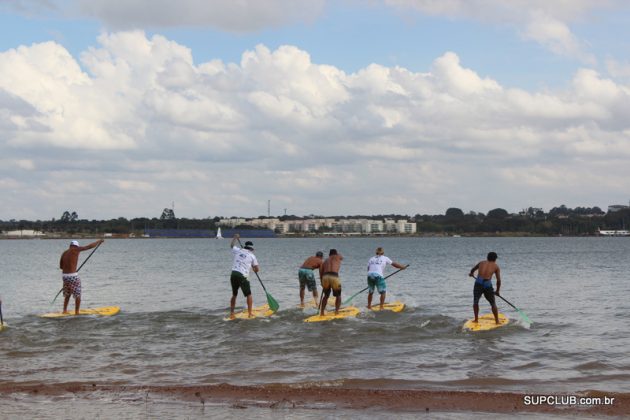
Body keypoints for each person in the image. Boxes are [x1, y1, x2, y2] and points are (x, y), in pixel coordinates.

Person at [59, 239, 105, 314]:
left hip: (64, 276)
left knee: (68, 293)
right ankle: (77, 312)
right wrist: (98, 242)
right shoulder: (76, 249)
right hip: (72, 276)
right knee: (78, 294)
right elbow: (89, 247)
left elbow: (61, 267)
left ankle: (64, 310)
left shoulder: (64, 253)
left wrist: (70, 266)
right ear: (76, 246)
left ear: (70, 245)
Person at [229, 234, 260, 319]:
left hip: (234, 274)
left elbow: (232, 245)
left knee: (234, 294)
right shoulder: (252, 256)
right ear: (251, 249)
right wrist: (253, 268)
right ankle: (250, 314)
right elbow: (257, 269)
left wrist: (235, 238)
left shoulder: (238, 250)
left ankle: (231, 313)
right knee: (249, 294)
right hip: (242, 276)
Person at [468, 251, 502, 324]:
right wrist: (497, 291)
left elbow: (473, 269)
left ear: (487, 257)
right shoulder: (496, 266)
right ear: (495, 259)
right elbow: (498, 280)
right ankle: (497, 321)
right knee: (493, 303)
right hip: (487, 284)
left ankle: (476, 319)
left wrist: (471, 274)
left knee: (476, 301)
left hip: (478, 282)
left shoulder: (481, 263)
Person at [319, 249, 343, 316]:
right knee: (338, 295)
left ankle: (322, 312)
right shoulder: (337, 257)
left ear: (329, 254)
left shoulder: (325, 261)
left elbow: (321, 271)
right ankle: (336, 312)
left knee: (326, 295)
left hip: (325, 276)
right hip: (334, 276)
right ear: (336, 253)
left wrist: (321, 281)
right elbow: (341, 257)